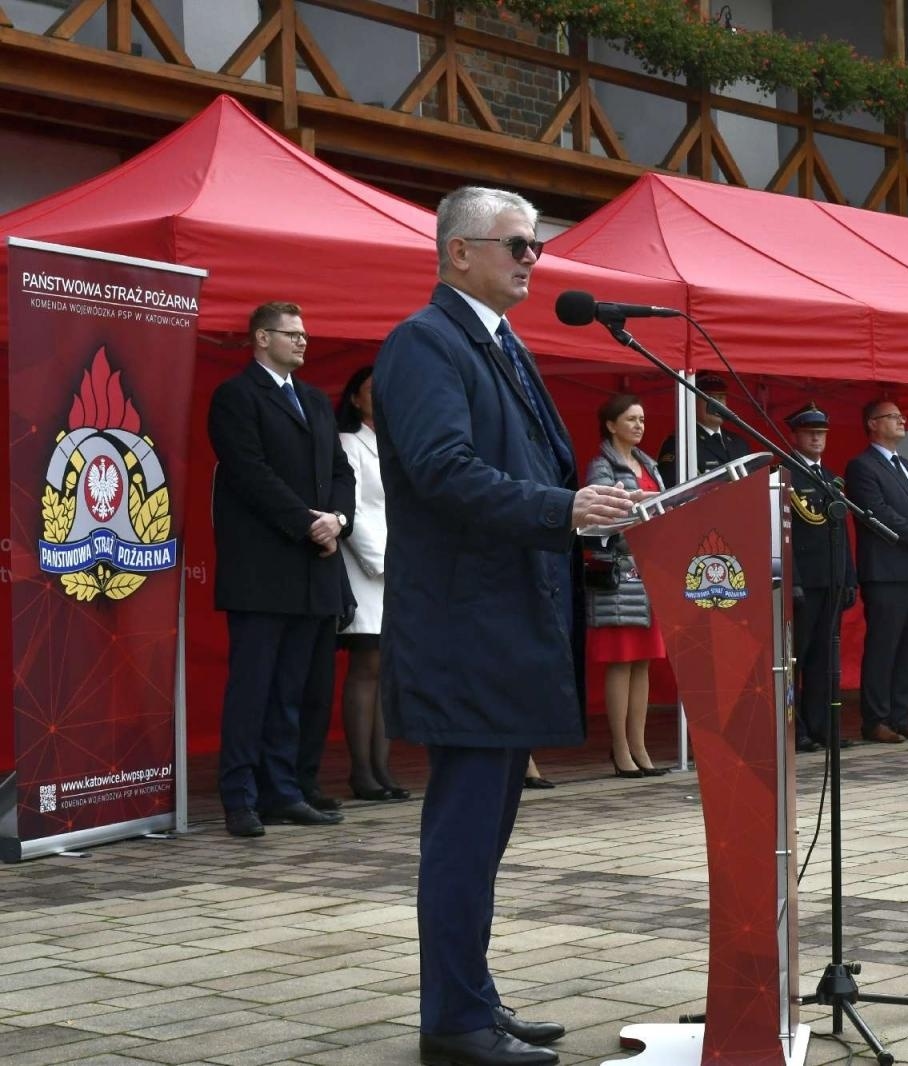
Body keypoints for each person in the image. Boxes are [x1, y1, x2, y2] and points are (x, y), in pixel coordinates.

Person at [374, 185, 634, 1066]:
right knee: (464, 827)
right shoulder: (423, 344)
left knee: (488, 833)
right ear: (458, 252)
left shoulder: (501, 342)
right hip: (465, 629)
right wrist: (567, 508)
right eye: (518, 245)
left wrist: (588, 511)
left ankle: (473, 997)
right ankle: (452, 1022)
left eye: (536, 246)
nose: (533, 259)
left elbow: (529, 467)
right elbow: (444, 472)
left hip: (509, 625)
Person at [209, 301, 354, 839]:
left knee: (299, 689)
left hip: (315, 570)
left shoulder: (316, 401)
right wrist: (306, 524)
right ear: (260, 339)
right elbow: (250, 473)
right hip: (263, 571)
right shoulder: (237, 396)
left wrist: (338, 518)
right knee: (254, 690)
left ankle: (284, 790)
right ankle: (240, 797)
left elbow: (341, 473)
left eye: (305, 333)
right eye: (291, 333)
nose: (302, 341)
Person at [845, 399, 908, 743]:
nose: (902, 421)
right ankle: (876, 720)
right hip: (886, 572)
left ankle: (902, 716)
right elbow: (877, 512)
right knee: (883, 646)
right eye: (893, 417)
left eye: (903, 415)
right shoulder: (862, 467)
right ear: (872, 424)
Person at [584, 392, 669, 778]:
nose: (639, 426)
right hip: (619, 572)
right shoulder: (601, 466)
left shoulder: (648, 464)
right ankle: (620, 749)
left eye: (643, 420)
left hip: (650, 571)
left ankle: (640, 746)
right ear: (611, 424)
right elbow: (600, 517)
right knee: (620, 662)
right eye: (632, 419)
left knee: (642, 663)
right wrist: (637, 507)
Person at [336, 366, 408, 801]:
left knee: (389, 672)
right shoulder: (349, 443)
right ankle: (361, 771)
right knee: (368, 667)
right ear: (355, 400)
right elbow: (353, 509)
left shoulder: (398, 444)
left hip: (402, 567)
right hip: (369, 568)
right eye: (371, 391)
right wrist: (381, 563)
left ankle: (383, 768)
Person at [784, 403, 856, 754]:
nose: (816, 438)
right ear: (795, 436)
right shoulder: (786, 476)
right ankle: (793, 729)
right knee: (796, 658)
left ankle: (821, 726)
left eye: (822, 433)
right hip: (804, 584)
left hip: (830, 580)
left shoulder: (830, 478)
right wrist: (793, 580)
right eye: (810, 432)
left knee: (824, 661)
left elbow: (842, 534)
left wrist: (848, 578)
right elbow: (785, 538)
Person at [656, 371, 748, 488]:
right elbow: (671, 488)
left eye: (721, 398)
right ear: (693, 401)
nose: (718, 405)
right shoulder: (680, 443)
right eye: (711, 399)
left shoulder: (739, 443)